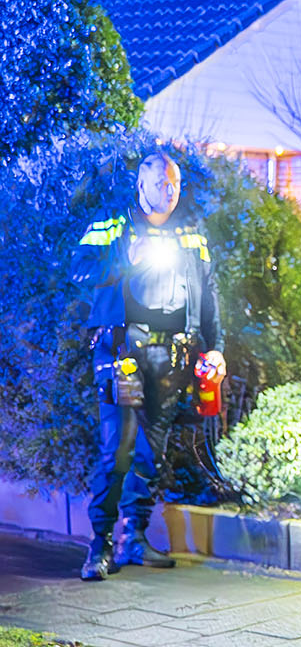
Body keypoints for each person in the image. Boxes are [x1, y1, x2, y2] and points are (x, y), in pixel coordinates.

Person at [73, 153, 224, 581]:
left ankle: (133, 538)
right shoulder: (113, 223)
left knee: (149, 453)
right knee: (117, 450)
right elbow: (78, 271)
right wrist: (124, 260)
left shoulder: (190, 232)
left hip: (170, 357)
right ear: (141, 185)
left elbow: (210, 295)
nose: (170, 191)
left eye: (175, 183)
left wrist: (217, 349)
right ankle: (99, 546)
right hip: (121, 353)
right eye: (161, 183)